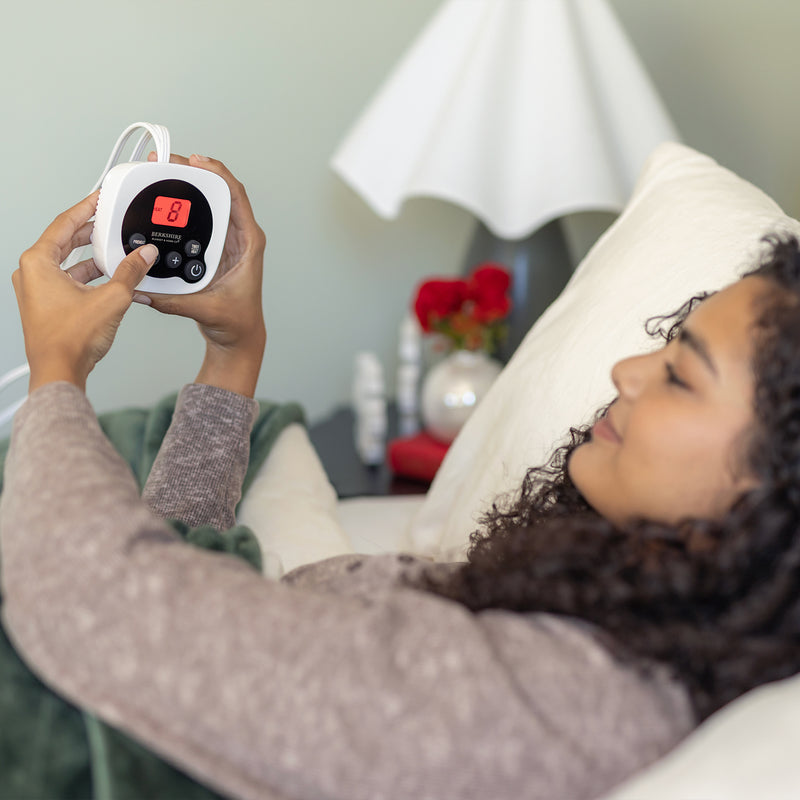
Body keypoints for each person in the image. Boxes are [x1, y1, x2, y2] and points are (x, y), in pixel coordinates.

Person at [2, 154, 800, 800]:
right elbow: (192, 606)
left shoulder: (548, 709)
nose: (627, 370)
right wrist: (234, 351)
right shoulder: (596, 608)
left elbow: (106, 600)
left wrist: (58, 375)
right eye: (665, 345)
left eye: (682, 377)